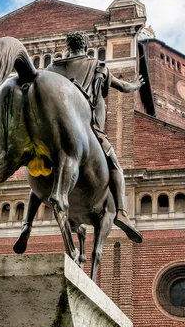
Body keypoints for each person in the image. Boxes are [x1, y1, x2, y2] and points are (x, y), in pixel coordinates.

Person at [46, 31, 143, 243]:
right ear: (86, 46)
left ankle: (27, 223)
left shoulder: (52, 68)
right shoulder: (99, 66)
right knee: (115, 165)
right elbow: (124, 87)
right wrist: (136, 85)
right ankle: (122, 212)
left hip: (52, 130)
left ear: (67, 46)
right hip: (88, 127)